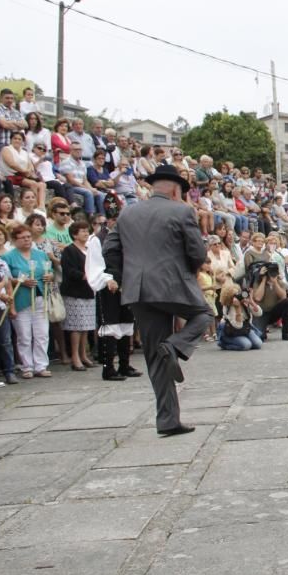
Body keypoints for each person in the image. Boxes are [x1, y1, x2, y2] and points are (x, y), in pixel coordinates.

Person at [103, 163, 213, 436]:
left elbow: (110, 250)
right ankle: (175, 347)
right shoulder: (182, 210)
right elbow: (197, 253)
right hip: (172, 285)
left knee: (154, 357)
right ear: (176, 190)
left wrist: (124, 275)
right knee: (204, 315)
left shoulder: (128, 213)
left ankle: (167, 419)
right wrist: (189, 269)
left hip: (138, 291)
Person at [85, 201, 140, 381]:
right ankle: (108, 368)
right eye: (114, 219)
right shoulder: (97, 239)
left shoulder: (128, 237)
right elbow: (94, 265)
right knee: (109, 326)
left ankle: (124, 365)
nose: (117, 222)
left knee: (126, 324)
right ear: (107, 221)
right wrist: (108, 279)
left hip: (126, 286)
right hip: (108, 287)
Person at [2, 223, 54, 378]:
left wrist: (49, 276)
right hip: (21, 299)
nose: (26, 240)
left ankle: (41, 365)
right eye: (22, 237)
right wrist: (19, 281)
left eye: (28, 237)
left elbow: (49, 270)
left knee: (42, 334)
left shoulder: (40, 254)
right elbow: (5, 278)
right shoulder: (8, 257)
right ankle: (27, 366)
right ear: (15, 240)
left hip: (39, 296)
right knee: (24, 335)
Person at [60, 220, 97, 371]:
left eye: (86, 230)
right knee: (76, 326)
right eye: (82, 231)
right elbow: (68, 270)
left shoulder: (89, 249)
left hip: (88, 291)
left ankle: (83, 354)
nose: (85, 233)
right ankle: (75, 356)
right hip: (75, 292)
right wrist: (85, 275)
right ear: (74, 234)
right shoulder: (70, 250)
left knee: (86, 326)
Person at [0, 223, 18, 385]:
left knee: (5, 340)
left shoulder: (0, 261)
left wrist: (10, 302)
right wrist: (1, 291)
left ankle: (9, 371)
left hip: (0, 306)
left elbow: (8, 283)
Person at [0, 132, 46, 208]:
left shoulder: (24, 152)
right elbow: (11, 164)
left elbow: (30, 165)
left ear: (22, 141)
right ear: (11, 140)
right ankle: (34, 206)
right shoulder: (6, 149)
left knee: (42, 185)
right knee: (33, 184)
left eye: (19, 139)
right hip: (11, 175)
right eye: (15, 138)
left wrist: (28, 171)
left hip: (23, 175)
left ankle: (41, 206)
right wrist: (24, 171)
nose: (17, 141)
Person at [58, 142, 104, 216]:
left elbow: (85, 180)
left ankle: (102, 216)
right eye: (76, 149)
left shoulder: (82, 163)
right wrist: (88, 189)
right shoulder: (66, 162)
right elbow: (71, 180)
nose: (78, 151)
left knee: (100, 194)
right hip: (72, 186)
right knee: (88, 193)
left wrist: (91, 188)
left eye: (80, 149)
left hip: (81, 185)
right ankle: (90, 215)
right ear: (71, 150)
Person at [217, 282, 263, 351]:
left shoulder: (244, 301)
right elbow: (237, 326)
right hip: (231, 331)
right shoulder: (228, 306)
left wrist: (251, 302)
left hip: (245, 328)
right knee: (246, 345)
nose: (238, 295)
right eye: (235, 295)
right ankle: (224, 343)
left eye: (239, 292)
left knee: (258, 344)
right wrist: (237, 308)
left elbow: (259, 313)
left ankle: (242, 340)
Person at [0, 88, 27, 162]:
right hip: (2, 144)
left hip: (16, 145)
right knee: (2, 170)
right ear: (1, 99)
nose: (10, 100)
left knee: (17, 169)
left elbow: (25, 125)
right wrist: (17, 124)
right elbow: (5, 125)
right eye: (7, 98)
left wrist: (9, 122)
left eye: (11, 98)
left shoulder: (16, 112)